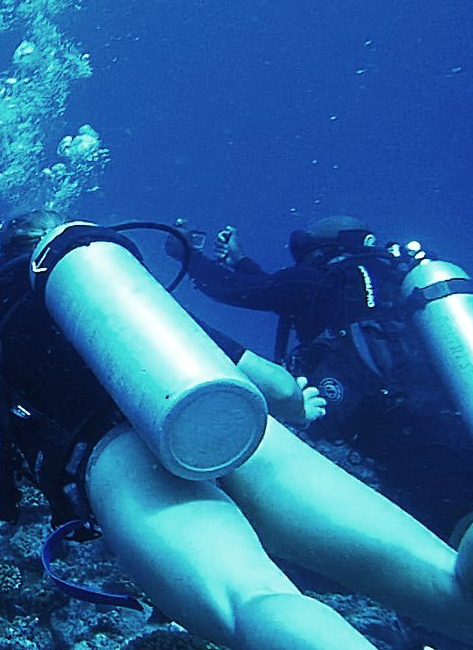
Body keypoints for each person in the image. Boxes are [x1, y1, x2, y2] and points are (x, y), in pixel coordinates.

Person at [0, 210, 473, 650]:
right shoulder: (148, 316)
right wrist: (295, 414)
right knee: (447, 586)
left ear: (6, 264)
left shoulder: (4, 329)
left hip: (119, 459)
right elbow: (277, 387)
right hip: (230, 425)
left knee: (257, 602)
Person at [169, 214, 473, 539]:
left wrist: (185, 252)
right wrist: (241, 260)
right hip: (447, 413)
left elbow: (233, 289)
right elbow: (280, 291)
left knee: (454, 527)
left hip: (401, 430)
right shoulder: (392, 283)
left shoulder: (324, 279)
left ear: (323, 248)